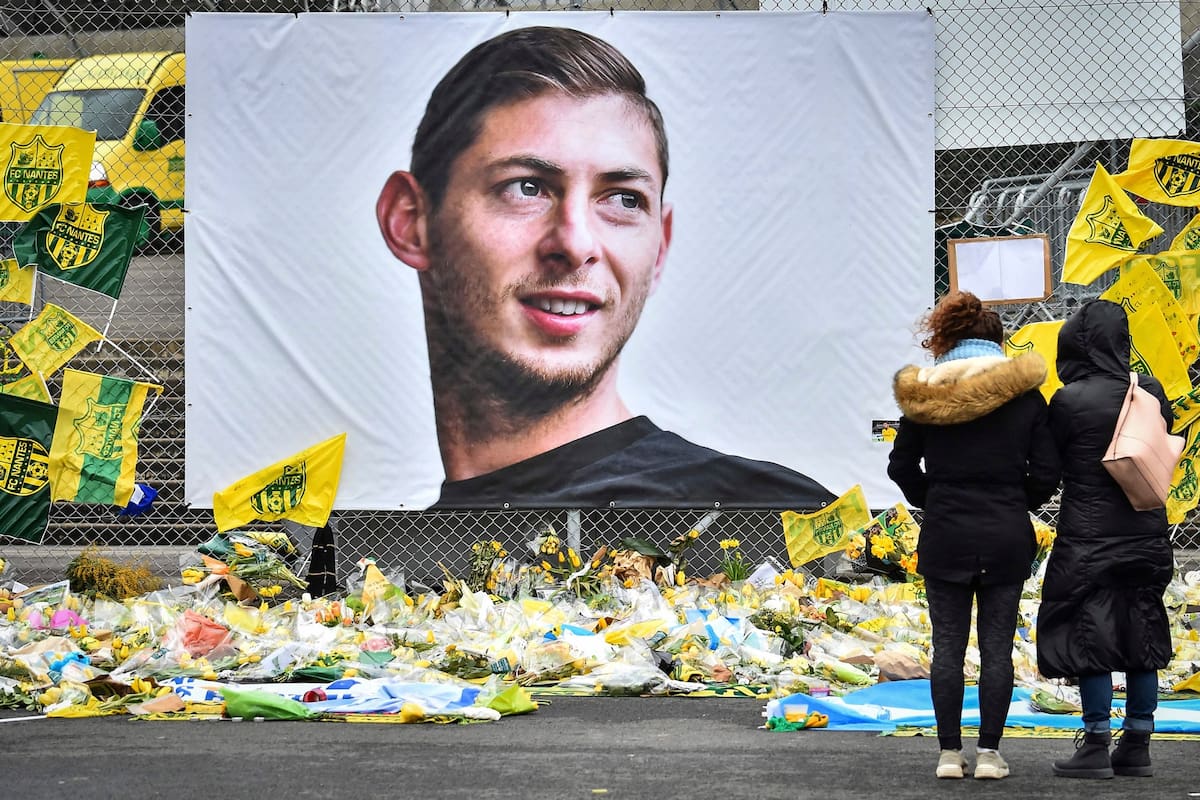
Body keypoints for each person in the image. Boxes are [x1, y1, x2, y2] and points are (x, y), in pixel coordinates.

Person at [375, 26, 834, 510]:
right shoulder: (401, 559)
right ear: (411, 223)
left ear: (659, 250)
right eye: (525, 188)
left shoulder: (766, 521)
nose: (575, 244)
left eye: (622, 199)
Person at [887, 291, 1060, 780]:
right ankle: (988, 753)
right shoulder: (1025, 397)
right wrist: (1015, 501)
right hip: (1006, 532)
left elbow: (900, 466)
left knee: (947, 646)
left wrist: (934, 498)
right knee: (997, 647)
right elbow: (1048, 470)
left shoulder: (925, 396)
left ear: (946, 337)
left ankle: (947, 754)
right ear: (996, 340)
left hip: (944, 532)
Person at [1038, 299, 1174, 779]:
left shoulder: (1069, 400)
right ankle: (1137, 743)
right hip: (1148, 533)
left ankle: (1095, 742)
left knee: (1088, 633)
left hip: (1087, 538)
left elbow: (1049, 468)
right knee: (1143, 630)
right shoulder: (1150, 391)